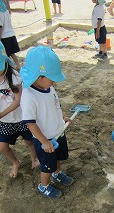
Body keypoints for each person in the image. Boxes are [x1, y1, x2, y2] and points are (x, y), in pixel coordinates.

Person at [0, 37, 38, 178]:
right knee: (2, 147)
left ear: (5, 60)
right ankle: (16, 162)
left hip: (22, 117)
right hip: (4, 120)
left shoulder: (15, 76)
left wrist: (0, 115)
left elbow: (18, 100)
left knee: (30, 141)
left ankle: (34, 158)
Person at [20, 46, 74, 199]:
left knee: (58, 158)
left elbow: (54, 105)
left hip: (58, 132)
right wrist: (44, 141)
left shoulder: (49, 88)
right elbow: (30, 123)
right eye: (52, 78)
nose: (55, 81)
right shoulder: (29, 96)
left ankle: (57, 174)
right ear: (39, 76)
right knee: (47, 165)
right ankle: (44, 186)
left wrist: (61, 118)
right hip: (45, 139)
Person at [0, 0, 21, 70]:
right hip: (11, 34)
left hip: (4, 37)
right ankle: (18, 65)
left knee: (4, 55)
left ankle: (8, 69)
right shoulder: (6, 11)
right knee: (12, 53)